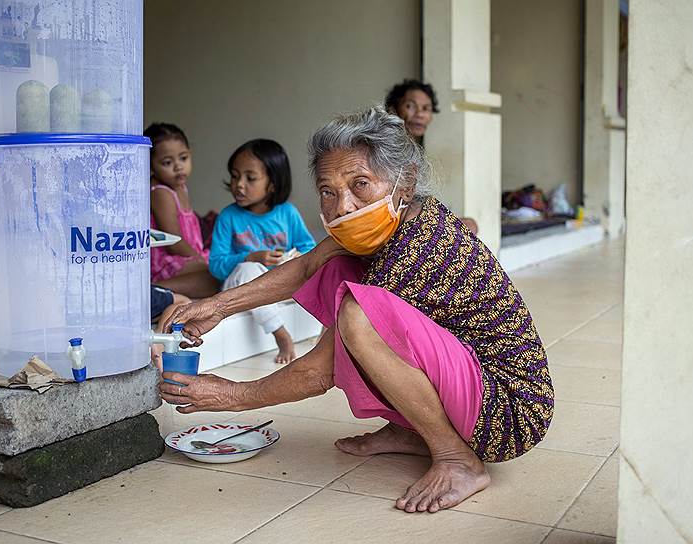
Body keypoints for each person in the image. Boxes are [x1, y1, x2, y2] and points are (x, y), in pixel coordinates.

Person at [160, 107, 553, 514]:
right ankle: (412, 429)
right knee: (335, 268)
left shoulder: (418, 249)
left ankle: (457, 458)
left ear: (405, 183)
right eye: (328, 191)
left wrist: (232, 395)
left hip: (508, 412)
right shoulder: (395, 220)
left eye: (360, 184)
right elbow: (309, 265)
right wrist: (218, 306)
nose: (343, 206)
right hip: (473, 382)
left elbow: (320, 370)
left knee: (358, 317)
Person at [209, 139, 316, 364]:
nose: (239, 184)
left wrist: (295, 258)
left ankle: (329, 338)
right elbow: (216, 265)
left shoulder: (287, 213)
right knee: (249, 270)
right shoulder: (228, 216)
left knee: (328, 270)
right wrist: (250, 256)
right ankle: (281, 335)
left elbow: (309, 248)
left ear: (273, 184)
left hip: (278, 288)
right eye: (235, 175)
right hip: (240, 288)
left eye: (250, 178)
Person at [385, 79, 479, 234]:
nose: (420, 114)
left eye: (426, 108)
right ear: (393, 110)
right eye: (410, 106)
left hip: (411, 222)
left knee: (470, 225)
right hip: (390, 226)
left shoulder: (415, 150)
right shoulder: (386, 148)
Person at [144, 123, 219, 298]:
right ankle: (152, 290)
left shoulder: (181, 187)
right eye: (167, 162)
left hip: (186, 257)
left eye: (183, 158)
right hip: (164, 263)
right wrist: (201, 259)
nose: (178, 166)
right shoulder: (161, 192)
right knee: (215, 277)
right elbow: (174, 243)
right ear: (151, 165)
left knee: (220, 271)